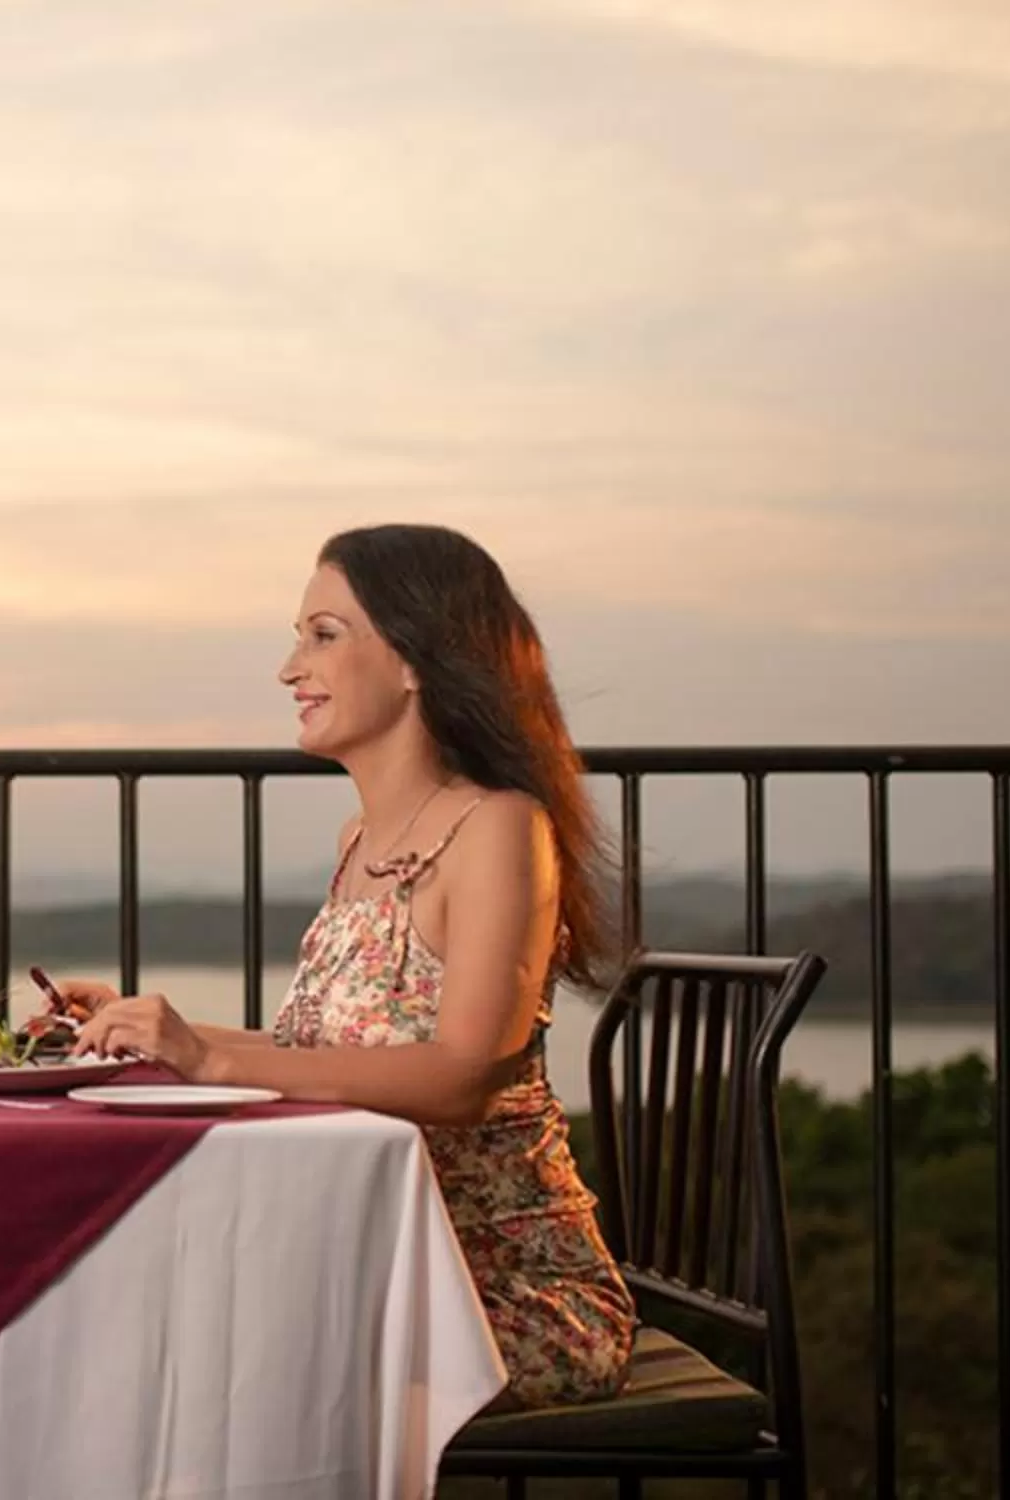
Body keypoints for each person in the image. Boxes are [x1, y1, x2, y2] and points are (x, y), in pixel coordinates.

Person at [75, 523, 634, 1410]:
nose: (290, 668)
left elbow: (460, 1079)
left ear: (416, 659)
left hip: (501, 1298)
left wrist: (210, 1056)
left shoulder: (498, 826)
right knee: (127, 1320)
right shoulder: (359, 843)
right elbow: (329, 1049)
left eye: (323, 635)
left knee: (190, 1355)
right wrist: (152, 1034)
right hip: (380, 1270)